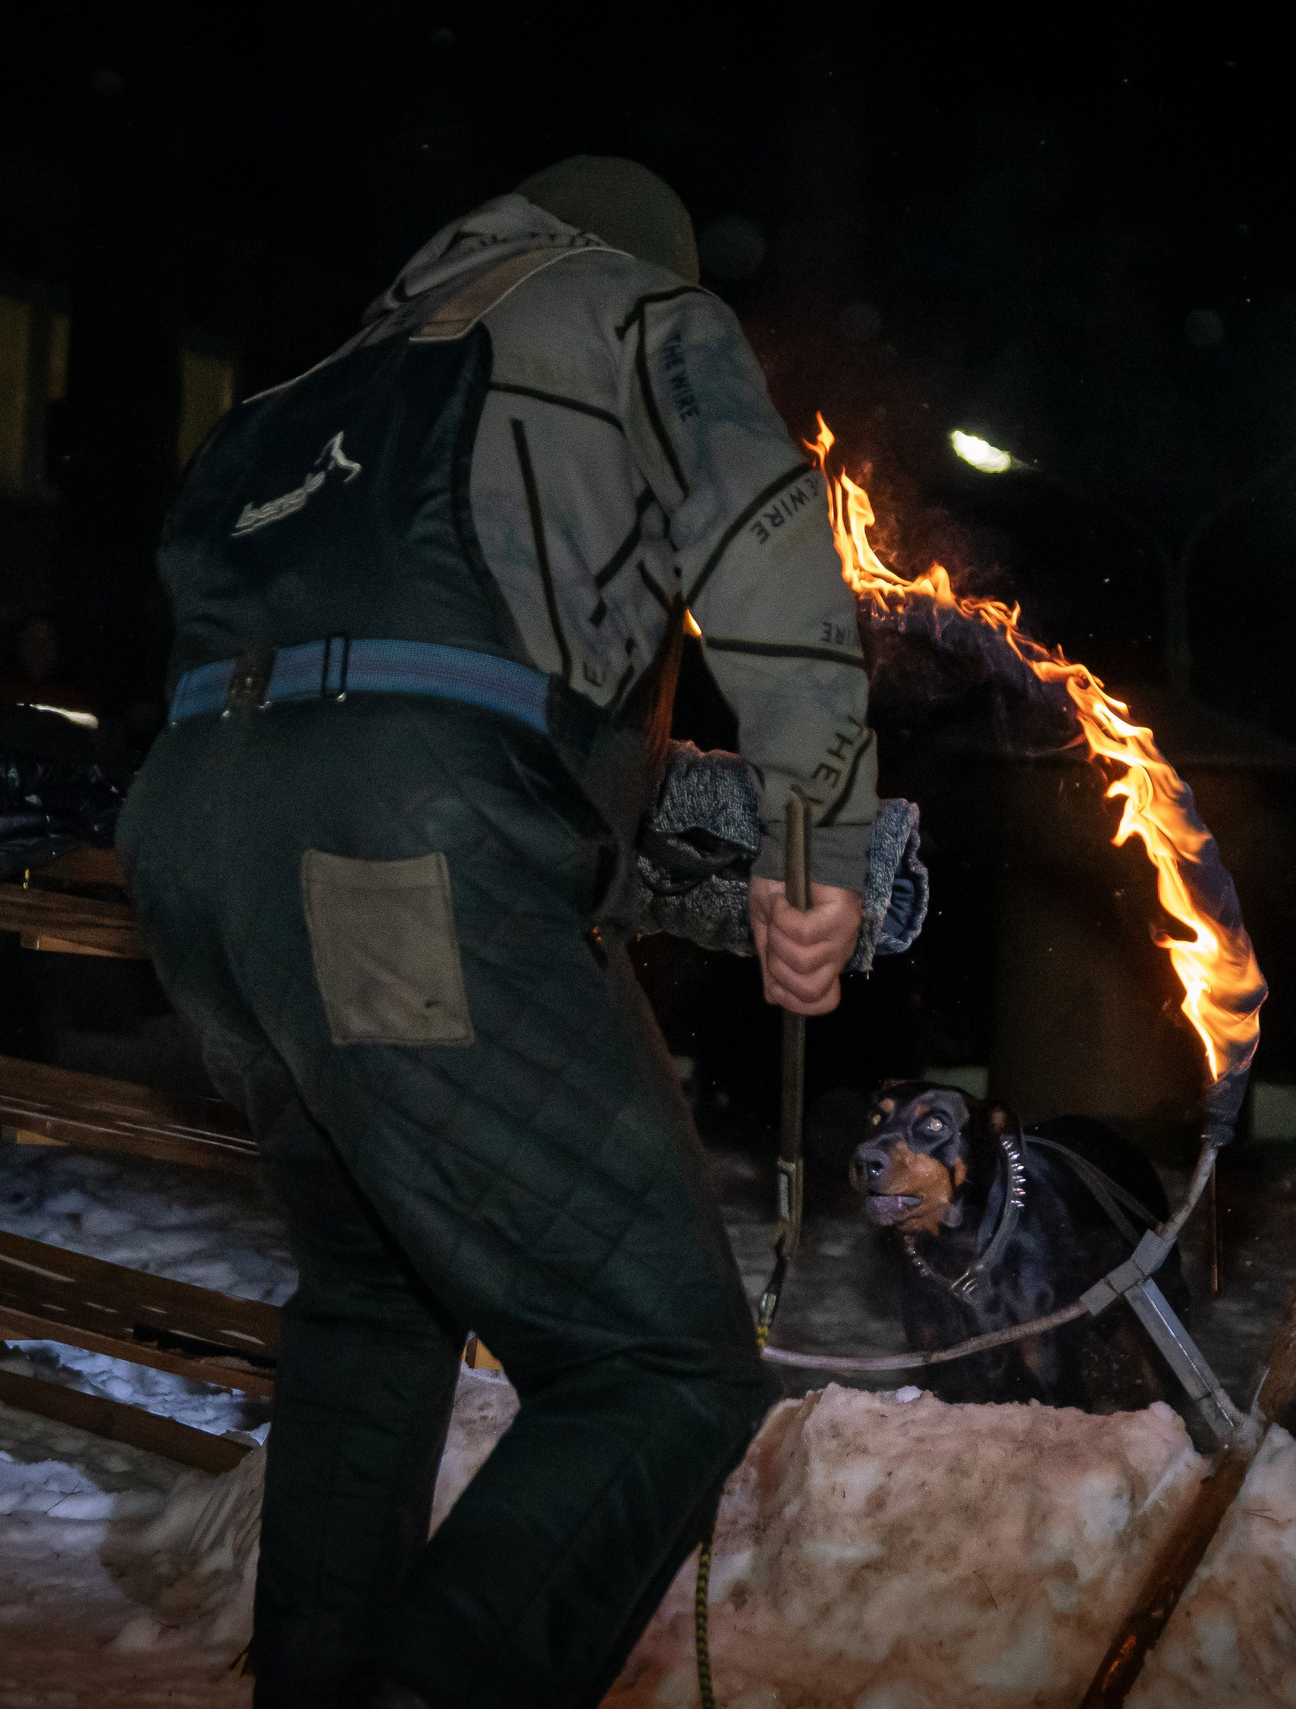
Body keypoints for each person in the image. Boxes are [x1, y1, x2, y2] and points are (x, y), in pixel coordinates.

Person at [117, 157, 875, 1707]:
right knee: (658, 1363)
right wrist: (818, 854)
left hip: (197, 856)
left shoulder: (319, 379)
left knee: (374, 1298)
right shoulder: (644, 313)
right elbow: (773, 567)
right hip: (392, 858)